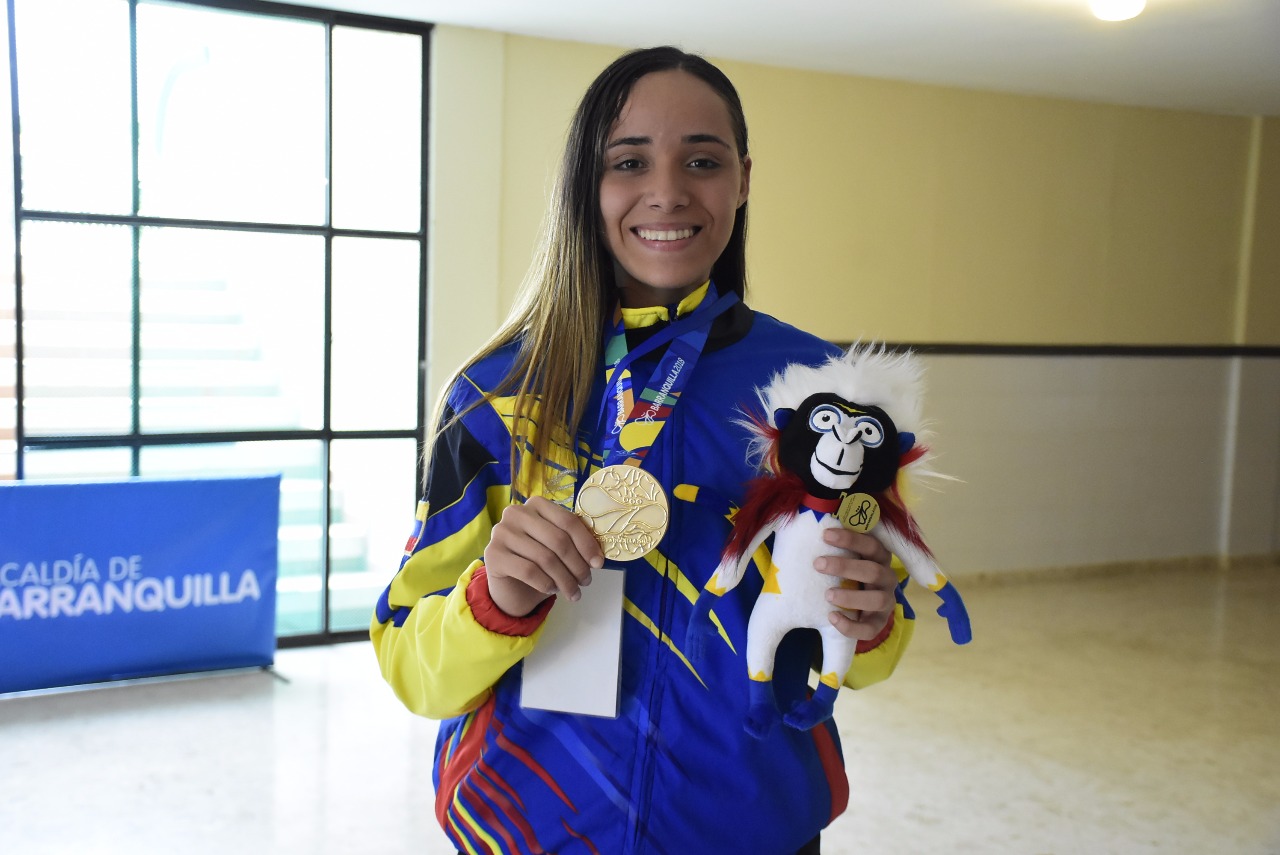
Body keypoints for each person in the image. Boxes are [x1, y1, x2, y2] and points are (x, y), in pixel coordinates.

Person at [372, 45, 914, 854]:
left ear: (743, 179)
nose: (668, 191)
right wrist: (496, 599)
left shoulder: (821, 395)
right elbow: (411, 664)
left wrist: (869, 617)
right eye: (629, 161)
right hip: (533, 829)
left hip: (749, 830)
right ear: (585, 184)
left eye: (703, 160)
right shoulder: (495, 395)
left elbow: (869, 648)